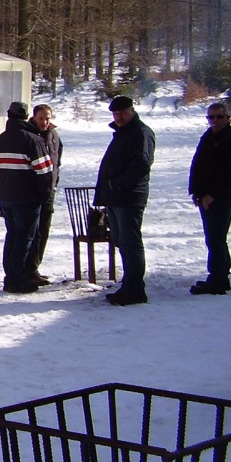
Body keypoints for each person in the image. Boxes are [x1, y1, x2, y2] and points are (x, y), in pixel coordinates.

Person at [93, 95, 156, 306]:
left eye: (122, 113)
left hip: (129, 197)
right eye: (115, 114)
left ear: (132, 111)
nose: (118, 117)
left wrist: (117, 184)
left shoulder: (140, 133)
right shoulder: (124, 133)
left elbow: (141, 164)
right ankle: (129, 284)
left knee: (130, 242)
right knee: (122, 241)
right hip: (117, 197)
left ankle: (135, 288)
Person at [0, 101, 54, 294]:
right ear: (27, 117)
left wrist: (5, 186)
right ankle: (16, 279)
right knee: (25, 238)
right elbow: (44, 173)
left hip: (6, 197)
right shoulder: (32, 140)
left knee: (12, 236)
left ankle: (11, 274)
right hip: (27, 198)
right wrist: (45, 196)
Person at [188, 102, 231, 295]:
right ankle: (219, 276)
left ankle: (219, 278)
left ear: (227, 118)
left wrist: (212, 195)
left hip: (220, 197)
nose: (214, 121)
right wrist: (196, 191)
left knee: (216, 237)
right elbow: (199, 164)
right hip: (205, 196)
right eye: (211, 117)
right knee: (213, 238)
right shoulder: (209, 136)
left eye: (219, 117)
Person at [28, 104, 62, 284]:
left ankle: (35, 266)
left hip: (49, 190)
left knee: (44, 229)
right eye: (41, 118)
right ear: (34, 118)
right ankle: (29, 268)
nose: (45, 122)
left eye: (48, 118)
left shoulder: (54, 135)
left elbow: (58, 160)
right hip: (33, 191)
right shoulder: (30, 136)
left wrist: (55, 182)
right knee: (33, 231)